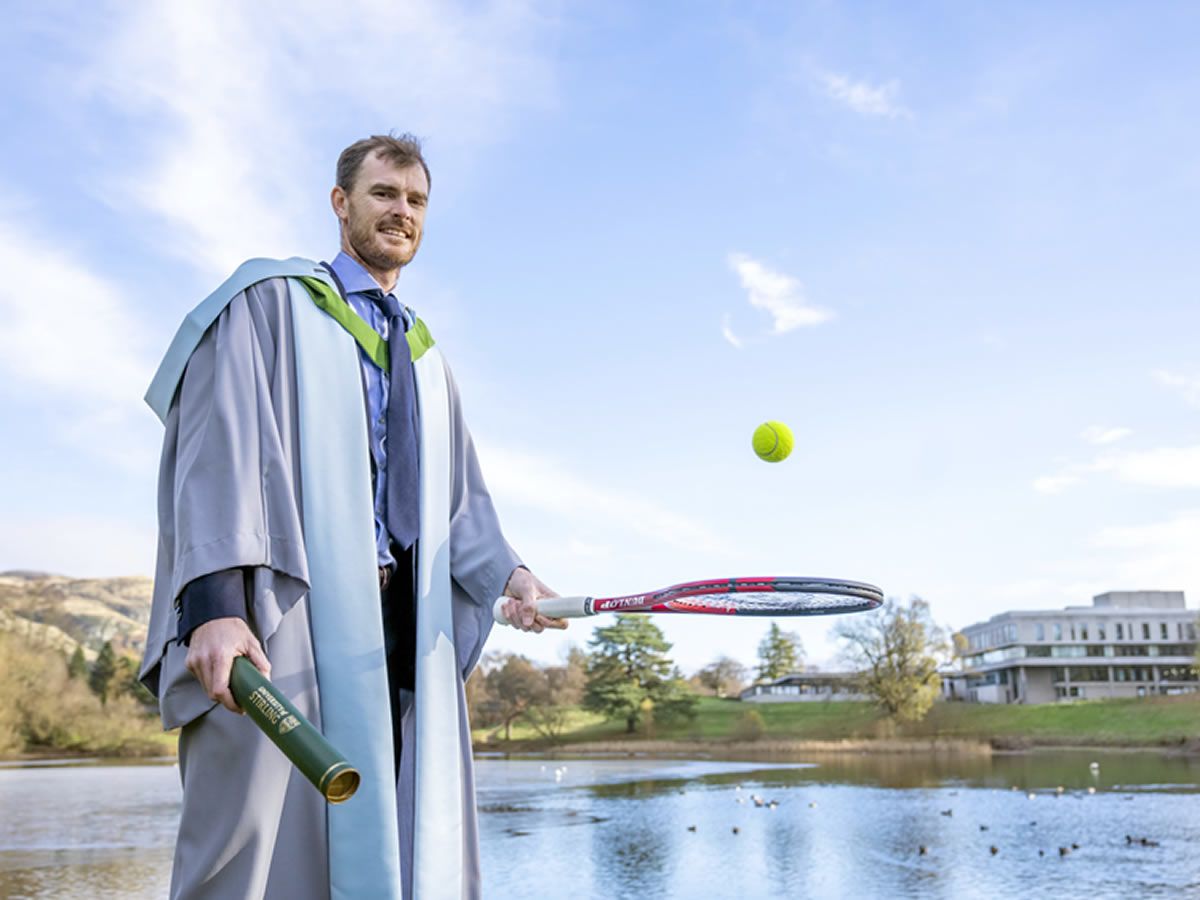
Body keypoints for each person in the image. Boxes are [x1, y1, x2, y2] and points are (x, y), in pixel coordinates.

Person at [138, 133, 564, 900]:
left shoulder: (426, 359)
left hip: (399, 638)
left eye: (416, 200)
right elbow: (217, 452)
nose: (401, 212)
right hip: (283, 619)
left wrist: (513, 575)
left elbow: (460, 504)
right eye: (383, 194)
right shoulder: (266, 303)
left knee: (400, 848)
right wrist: (215, 608)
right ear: (341, 204)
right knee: (252, 848)